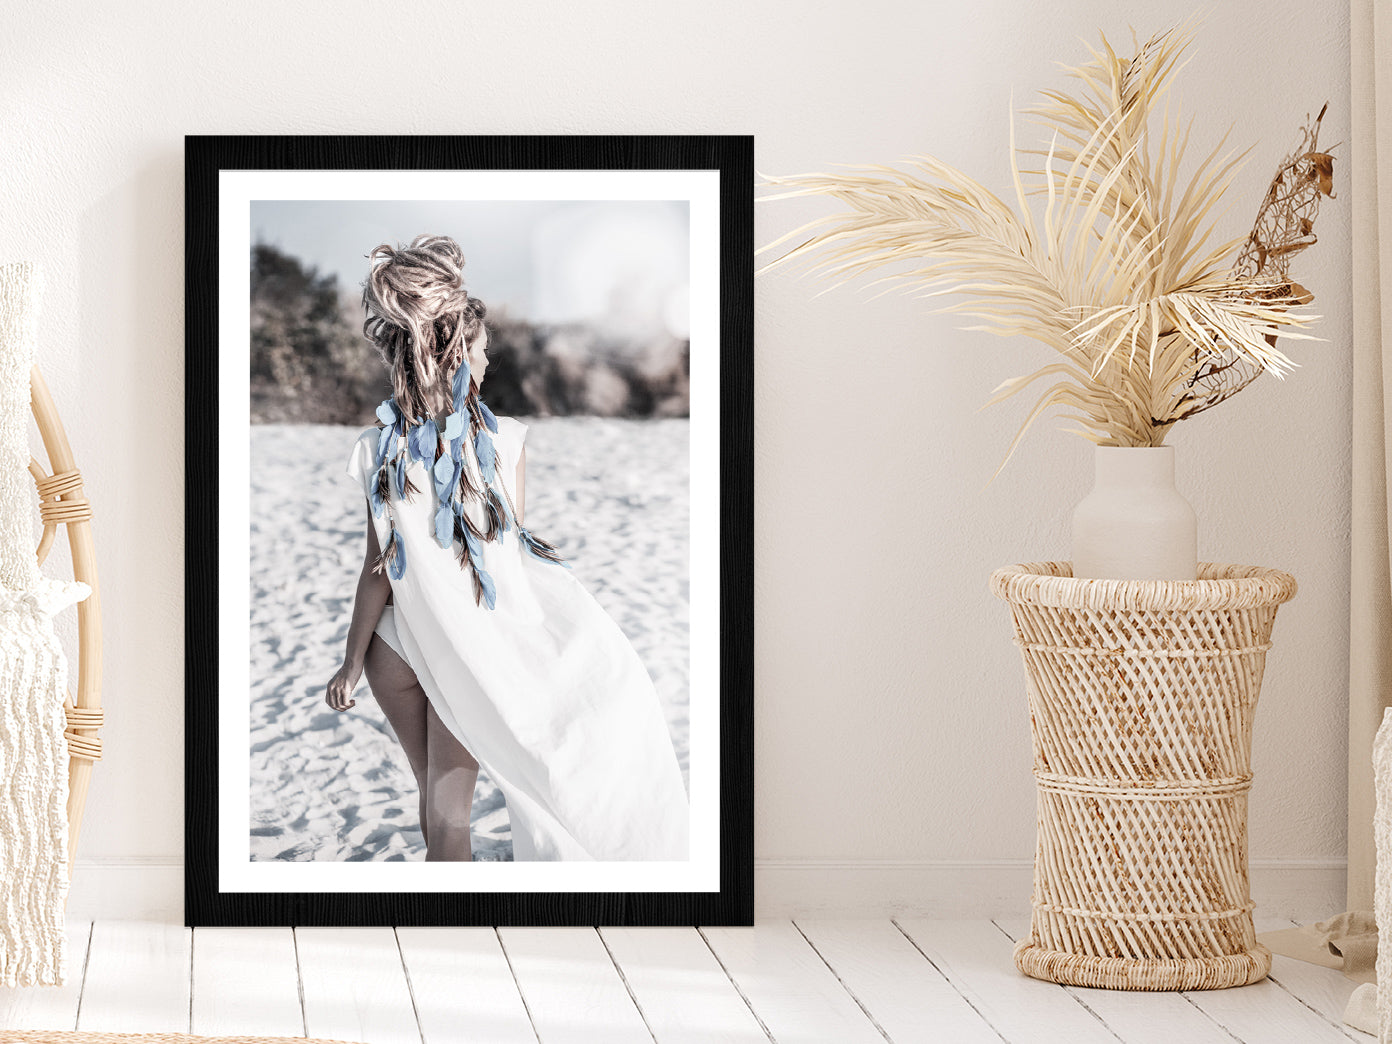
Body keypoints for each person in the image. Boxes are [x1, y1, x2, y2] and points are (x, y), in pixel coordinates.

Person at [323, 234, 689, 862]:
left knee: (436, 811)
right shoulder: (507, 444)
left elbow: (377, 568)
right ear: (460, 353)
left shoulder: (376, 447)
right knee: (454, 818)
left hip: (390, 644)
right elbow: (503, 561)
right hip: (458, 650)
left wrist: (352, 661)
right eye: (484, 349)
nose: (489, 361)